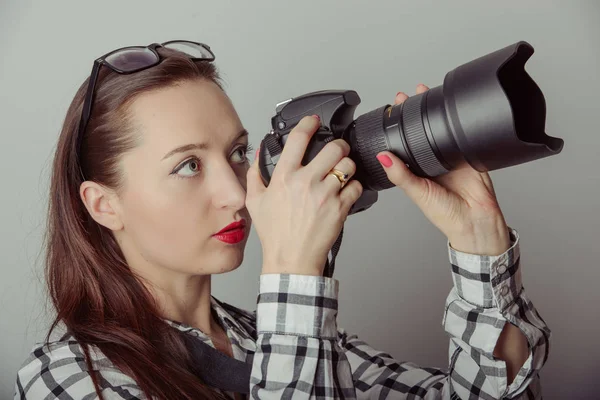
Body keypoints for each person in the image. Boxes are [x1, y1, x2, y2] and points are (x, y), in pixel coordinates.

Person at [14, 41, 550, 400]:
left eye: (238, 152)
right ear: (102, 203)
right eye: (188, 165)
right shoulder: (67, 378)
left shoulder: (266, 336)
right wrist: (294, 273)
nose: (236, 191)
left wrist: (480, 246)